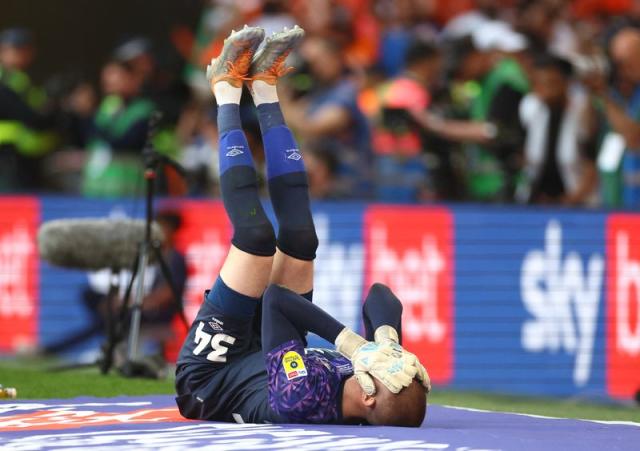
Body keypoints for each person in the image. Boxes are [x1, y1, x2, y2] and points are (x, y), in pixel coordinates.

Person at [175, 25, 430, 426]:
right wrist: (388, 343)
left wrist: (351, 344)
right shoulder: (370, 384)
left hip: (211, 375)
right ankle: (263, 88)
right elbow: (381, 296)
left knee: (256, 239)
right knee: (300, 238)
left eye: (388, 377)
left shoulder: (300, 398)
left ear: (367, 400)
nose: (387, 372)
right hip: (269, 349)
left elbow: (277, 300)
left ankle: (225, 90)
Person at [518, 54, 599, 206]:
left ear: (567, 82)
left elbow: (591, 160)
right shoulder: (530, 106)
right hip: (535, 198)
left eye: (551, 83)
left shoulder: (582, 110)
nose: (545, 89)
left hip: (575, 200)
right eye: (538, 83)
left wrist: (572, 200)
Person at [0, 28, 57, 191]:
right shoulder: (5, 81)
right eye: (15, 49)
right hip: (5, 155)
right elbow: (28, 116)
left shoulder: (21, 79)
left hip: (22, 156)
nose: (22, 54)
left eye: (25, 49)